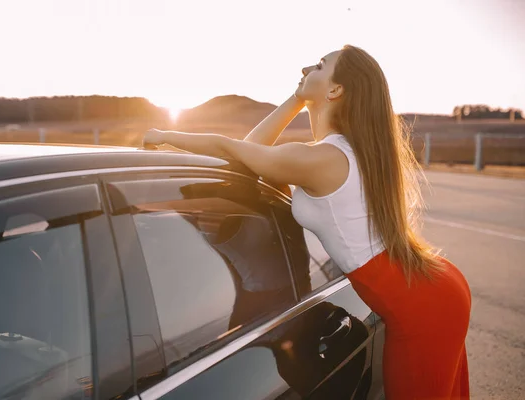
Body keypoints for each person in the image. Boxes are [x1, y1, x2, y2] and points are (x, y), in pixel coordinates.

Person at [142, 44, 472, 399]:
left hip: (423, 305)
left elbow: (234, 151)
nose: (304, 68)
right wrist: (298, 97)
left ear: (335, 90)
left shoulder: (323, 158)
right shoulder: (337, 151)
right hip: (430, 288)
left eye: (318, 65)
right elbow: (252, 149)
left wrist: (165, 136)